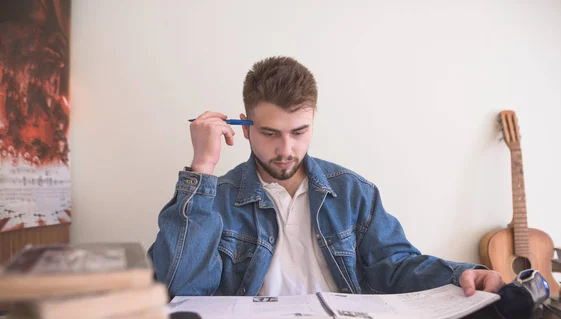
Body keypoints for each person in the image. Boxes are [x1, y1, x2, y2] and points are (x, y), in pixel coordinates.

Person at [149, 56, 504, 297]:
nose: (286, 149)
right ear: (244, 127)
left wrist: (459, 274)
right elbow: (178, 290)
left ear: (313, 121)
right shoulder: (217, 199)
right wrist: (202, 170)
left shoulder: (353, 193)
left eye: (299, 132)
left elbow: (396, 266)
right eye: (270, 133)